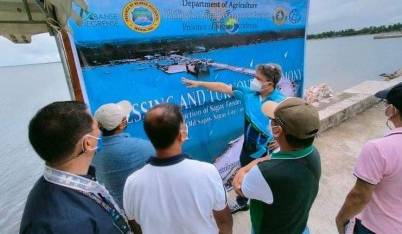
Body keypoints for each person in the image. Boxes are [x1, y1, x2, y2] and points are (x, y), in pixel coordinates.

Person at [182, 63, 286, 213]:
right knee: (243, 175)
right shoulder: (248, 94)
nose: (253, 80)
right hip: (248, 149)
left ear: (269, 84)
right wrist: (200, 83)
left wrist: (280, 140)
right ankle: (242, 202)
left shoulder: (282, 102)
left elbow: (295, 124)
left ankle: (266, 206)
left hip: (267, 154)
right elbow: (223, 87)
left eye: (258, 78)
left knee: (266, 181)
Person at [20, 101, 131, 233]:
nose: (100, 131)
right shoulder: (66, 224)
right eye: (97, 126)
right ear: (88, 143)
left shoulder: (57, 189)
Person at [123, 103, 233, 234]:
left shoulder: (132, 183)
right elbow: (224, 220)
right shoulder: (207, 172)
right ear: (181, 135)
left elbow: (135, 225)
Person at [336, 79, 402, 234]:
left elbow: (359, 196)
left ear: (392, 110)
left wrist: (341, 220)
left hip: (378, 228)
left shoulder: (379, 148)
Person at [232, 97, 321, 233]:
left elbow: (240, 189)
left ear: (277, 131)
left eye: (271, 119)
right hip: (298, 227)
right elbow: (271, 157)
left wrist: (241, 172)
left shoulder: (265, 173)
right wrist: (246, 168)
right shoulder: (312, 153)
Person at [93, 100, 155, 208]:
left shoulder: (94, 158)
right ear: (122, 124)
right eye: (125, 117)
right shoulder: (144, 147)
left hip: (119, 213)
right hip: (146, 209)